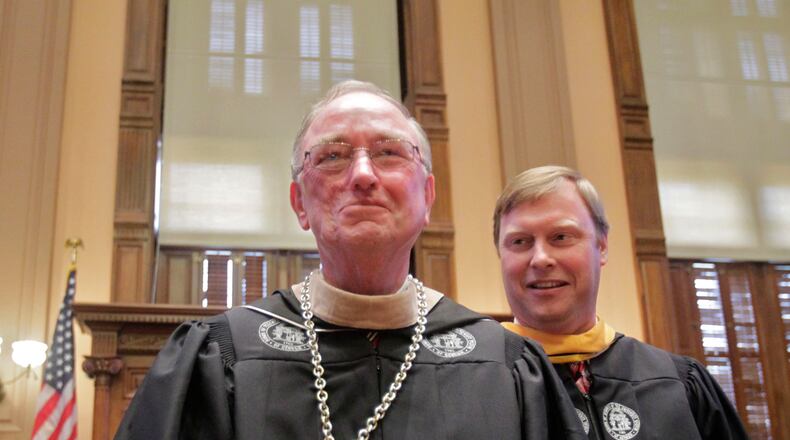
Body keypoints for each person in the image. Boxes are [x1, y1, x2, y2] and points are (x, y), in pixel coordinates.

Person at [116, 82, 585, 439]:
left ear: (427, 197)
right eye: (333, 156)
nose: (362, 175)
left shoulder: (506, 366)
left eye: (388, 153)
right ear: (299, 203)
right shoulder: (218, 359)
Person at [493, 165, 749, 440]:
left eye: (561, 237)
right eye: (520, 241)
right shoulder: (473, 387)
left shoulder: (680, 384)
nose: (541, 258)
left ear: (601, 247)